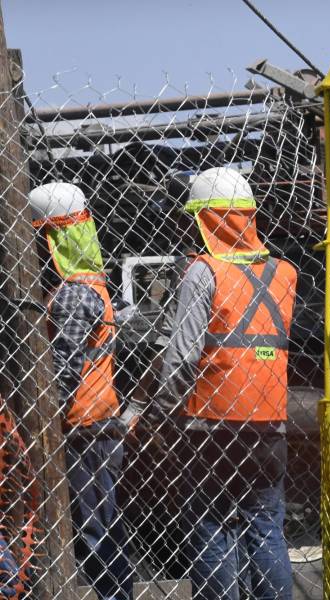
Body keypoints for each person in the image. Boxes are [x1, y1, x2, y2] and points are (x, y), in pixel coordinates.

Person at [154, 167, 295, 599]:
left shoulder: (203, 271)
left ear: (206, 219)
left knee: (210, 523)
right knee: (266, 525)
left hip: (212, 427)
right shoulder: (285, 273)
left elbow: (181, 357)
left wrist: (160, 412)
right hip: (270, 426)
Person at [28, 182, 135, 600]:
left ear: (50, 238)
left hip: (85, 427)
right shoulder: (91, 282)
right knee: (102, 525)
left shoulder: (73, 293)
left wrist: (39, 418)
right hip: (96, 423)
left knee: (96, 531)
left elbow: (64, 368)